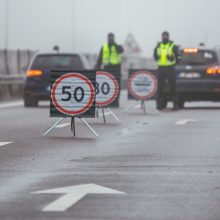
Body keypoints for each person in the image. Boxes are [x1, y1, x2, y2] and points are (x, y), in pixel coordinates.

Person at [154, 31, 180, 110]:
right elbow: (155, 55)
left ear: (168, 37)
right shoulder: (158, 46)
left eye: (166, 36)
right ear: (161, 37)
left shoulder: (173, 45)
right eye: (163, 36)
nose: (165, 37)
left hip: (170, 69)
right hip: (161, 69)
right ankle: (159, 105)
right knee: (160, 88)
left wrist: (173, 61)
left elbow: (178, 57)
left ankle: (175, 105)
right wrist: (157, 58)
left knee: (173, 88)